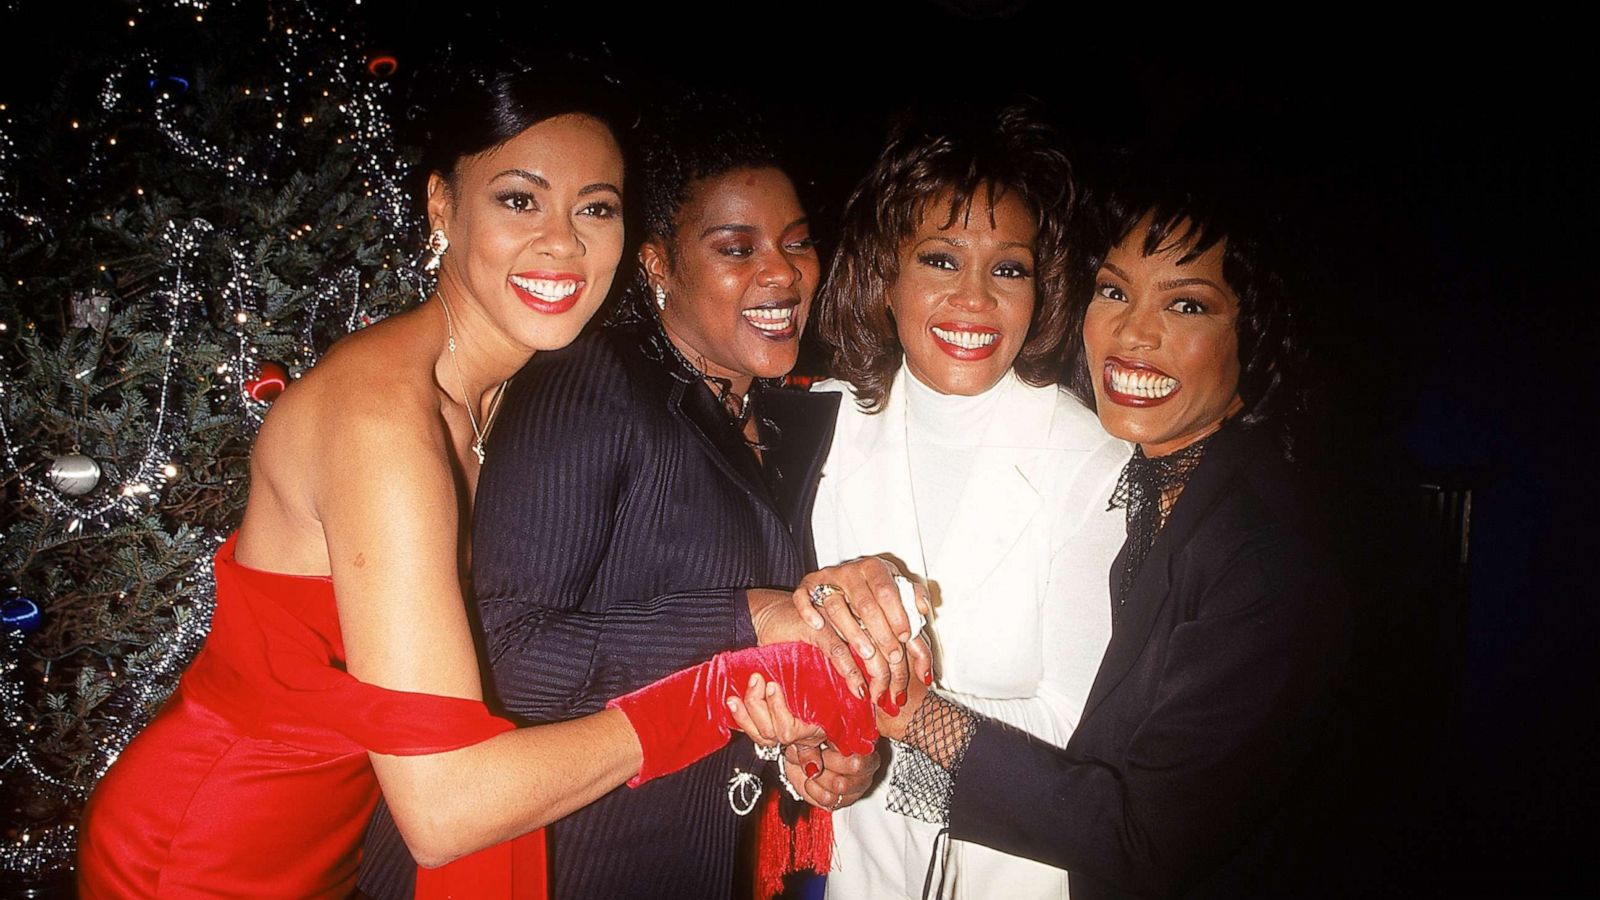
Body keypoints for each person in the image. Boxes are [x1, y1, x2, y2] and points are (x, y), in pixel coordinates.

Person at [74, 68, 877, 900]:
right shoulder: (383, 420)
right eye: (519, 200)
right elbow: (447, 809)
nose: (563, 243)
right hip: (215, 846)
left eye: (594, 207)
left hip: (339, 835)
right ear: (441, 207)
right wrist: (713, 685)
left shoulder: (497, 398)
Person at [358, 94, 930, 900]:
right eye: (737, 248)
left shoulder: (781, 419)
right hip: (553, 867)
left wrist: (828, 742)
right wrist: (748, 616)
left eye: (797, 244)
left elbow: (732, 674)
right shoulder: (592, 385)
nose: (783, 273)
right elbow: (508, 655)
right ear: (659, 264)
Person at [874, 185, 1350, 900]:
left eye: (1186, 305)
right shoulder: (1154, 495)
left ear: (1258, 336)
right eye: (1114, 291)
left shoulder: (1265, 559)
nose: (1134, 334)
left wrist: (909, 714)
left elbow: (1142, 841)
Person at [796, 105, 1130, 898]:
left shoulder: (1095, 465)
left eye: (1008, 268)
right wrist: (808, 750)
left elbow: (1081, 741)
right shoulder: (821, 430)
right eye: (942, 260)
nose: (974, 298)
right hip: (861, 876)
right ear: (886, 275)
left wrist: (886, 716)